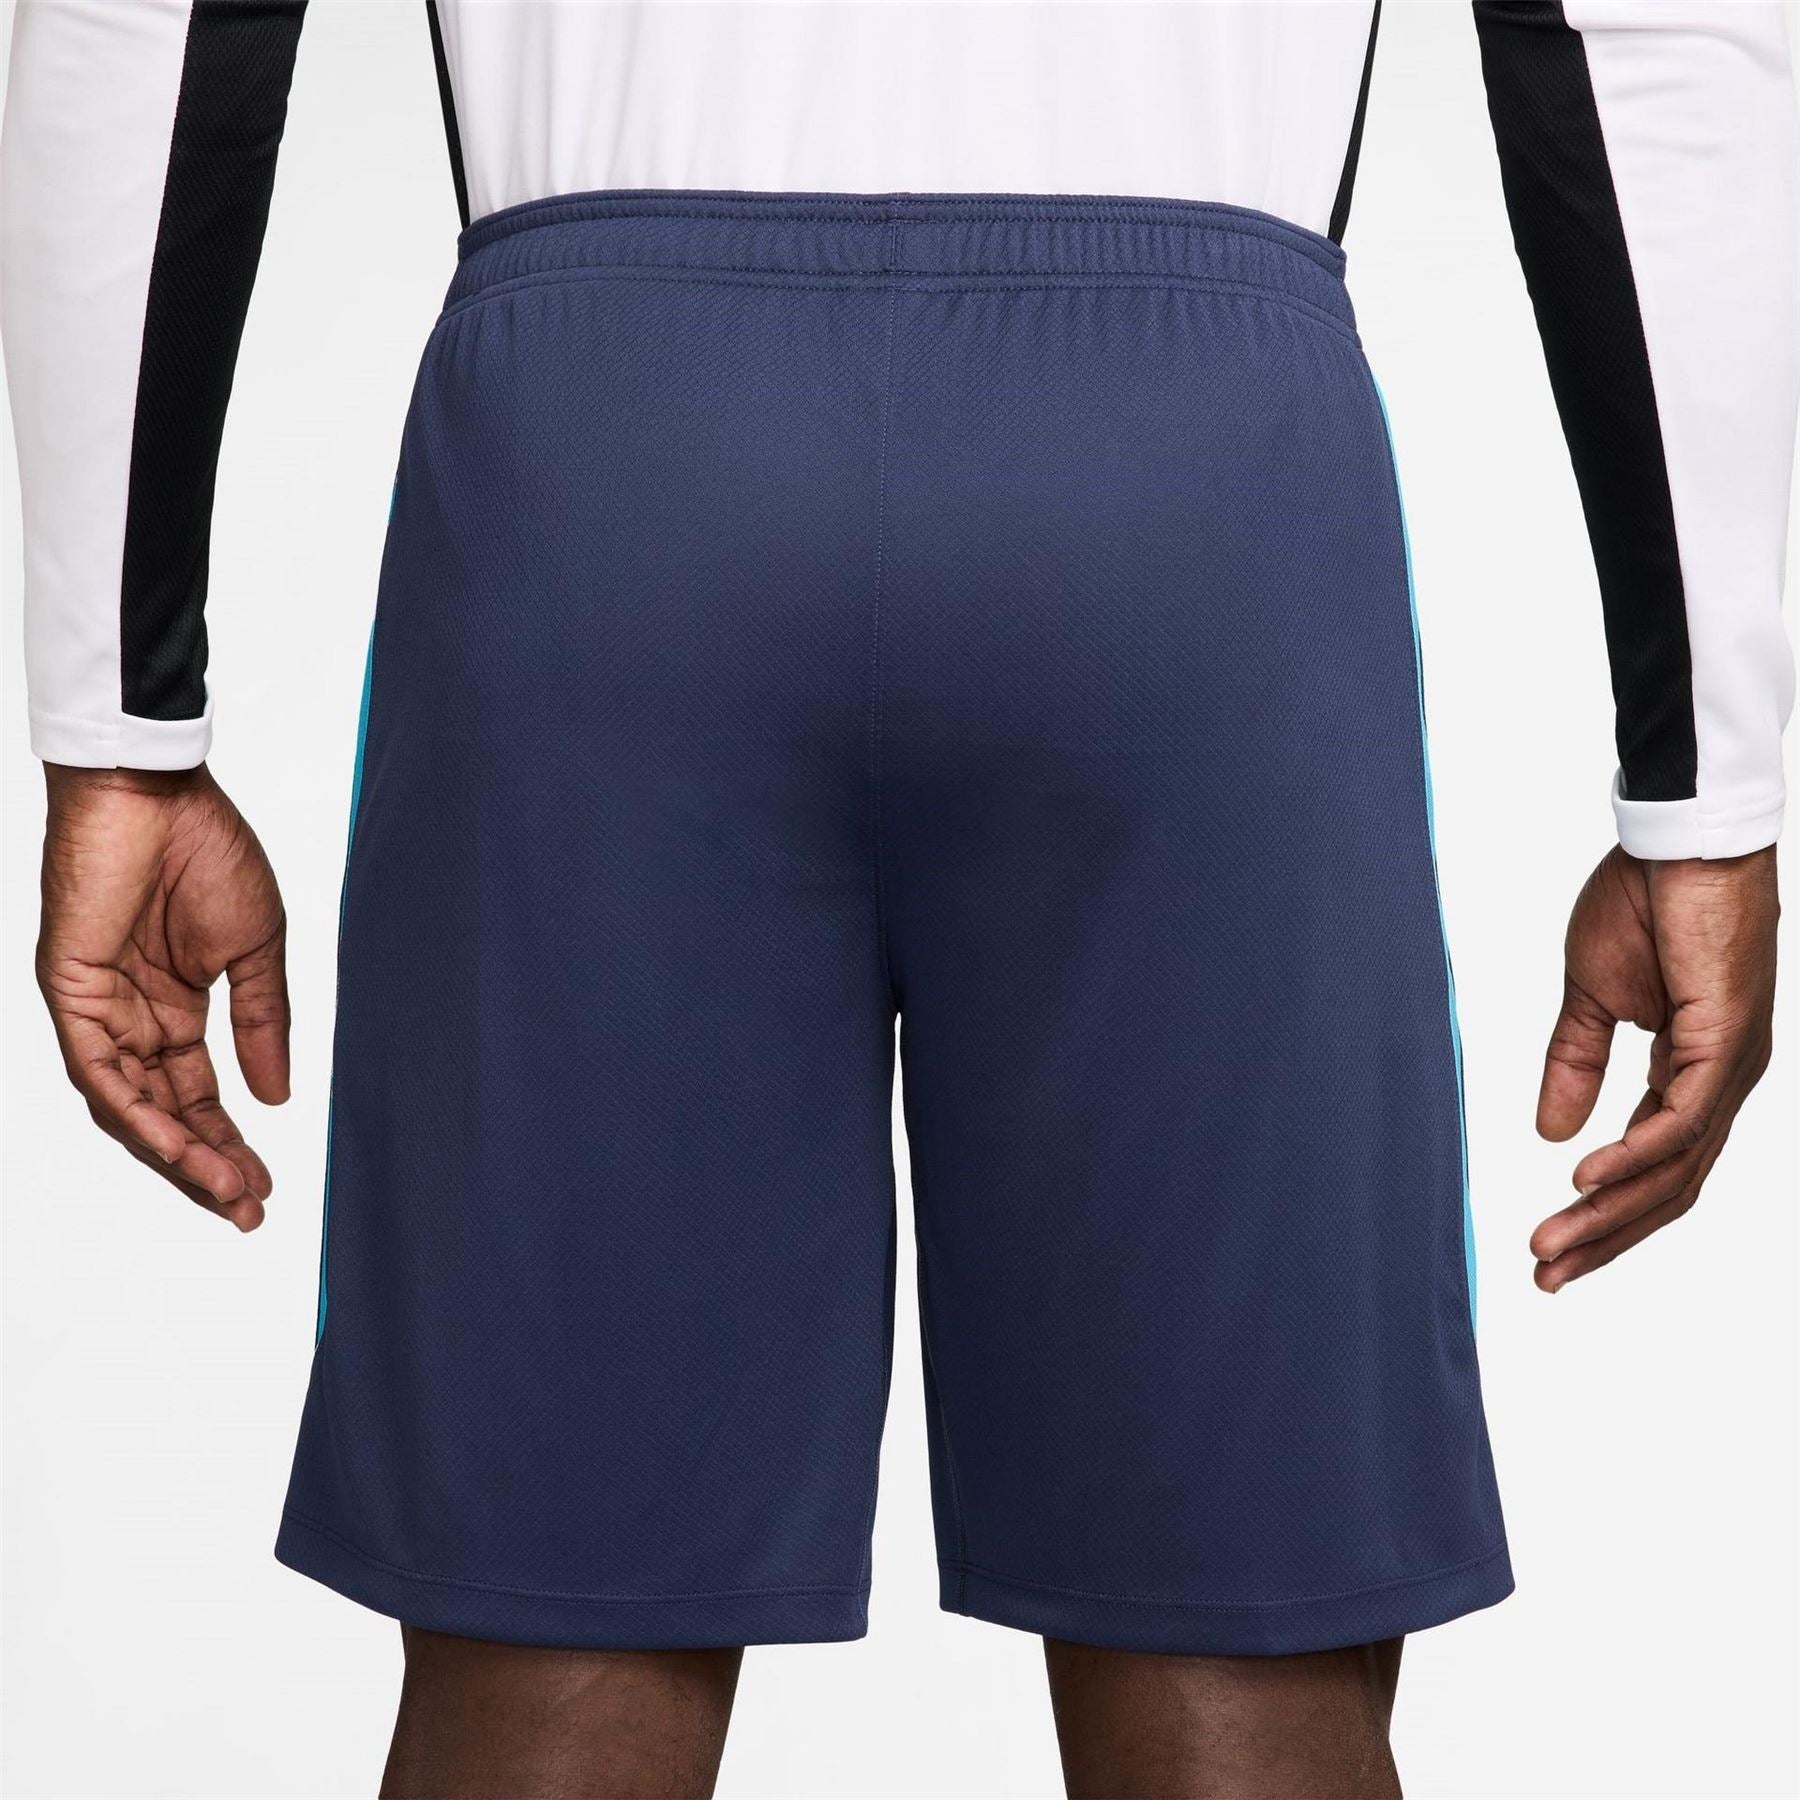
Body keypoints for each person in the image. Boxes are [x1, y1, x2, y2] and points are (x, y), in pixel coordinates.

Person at [3, 2, 1792, 1794]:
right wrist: (1703, 787)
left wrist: (120, 731)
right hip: (1187, 483)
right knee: (1245, 1634)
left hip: (610, 477)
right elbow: (1636, 33)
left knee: (550, 1616)